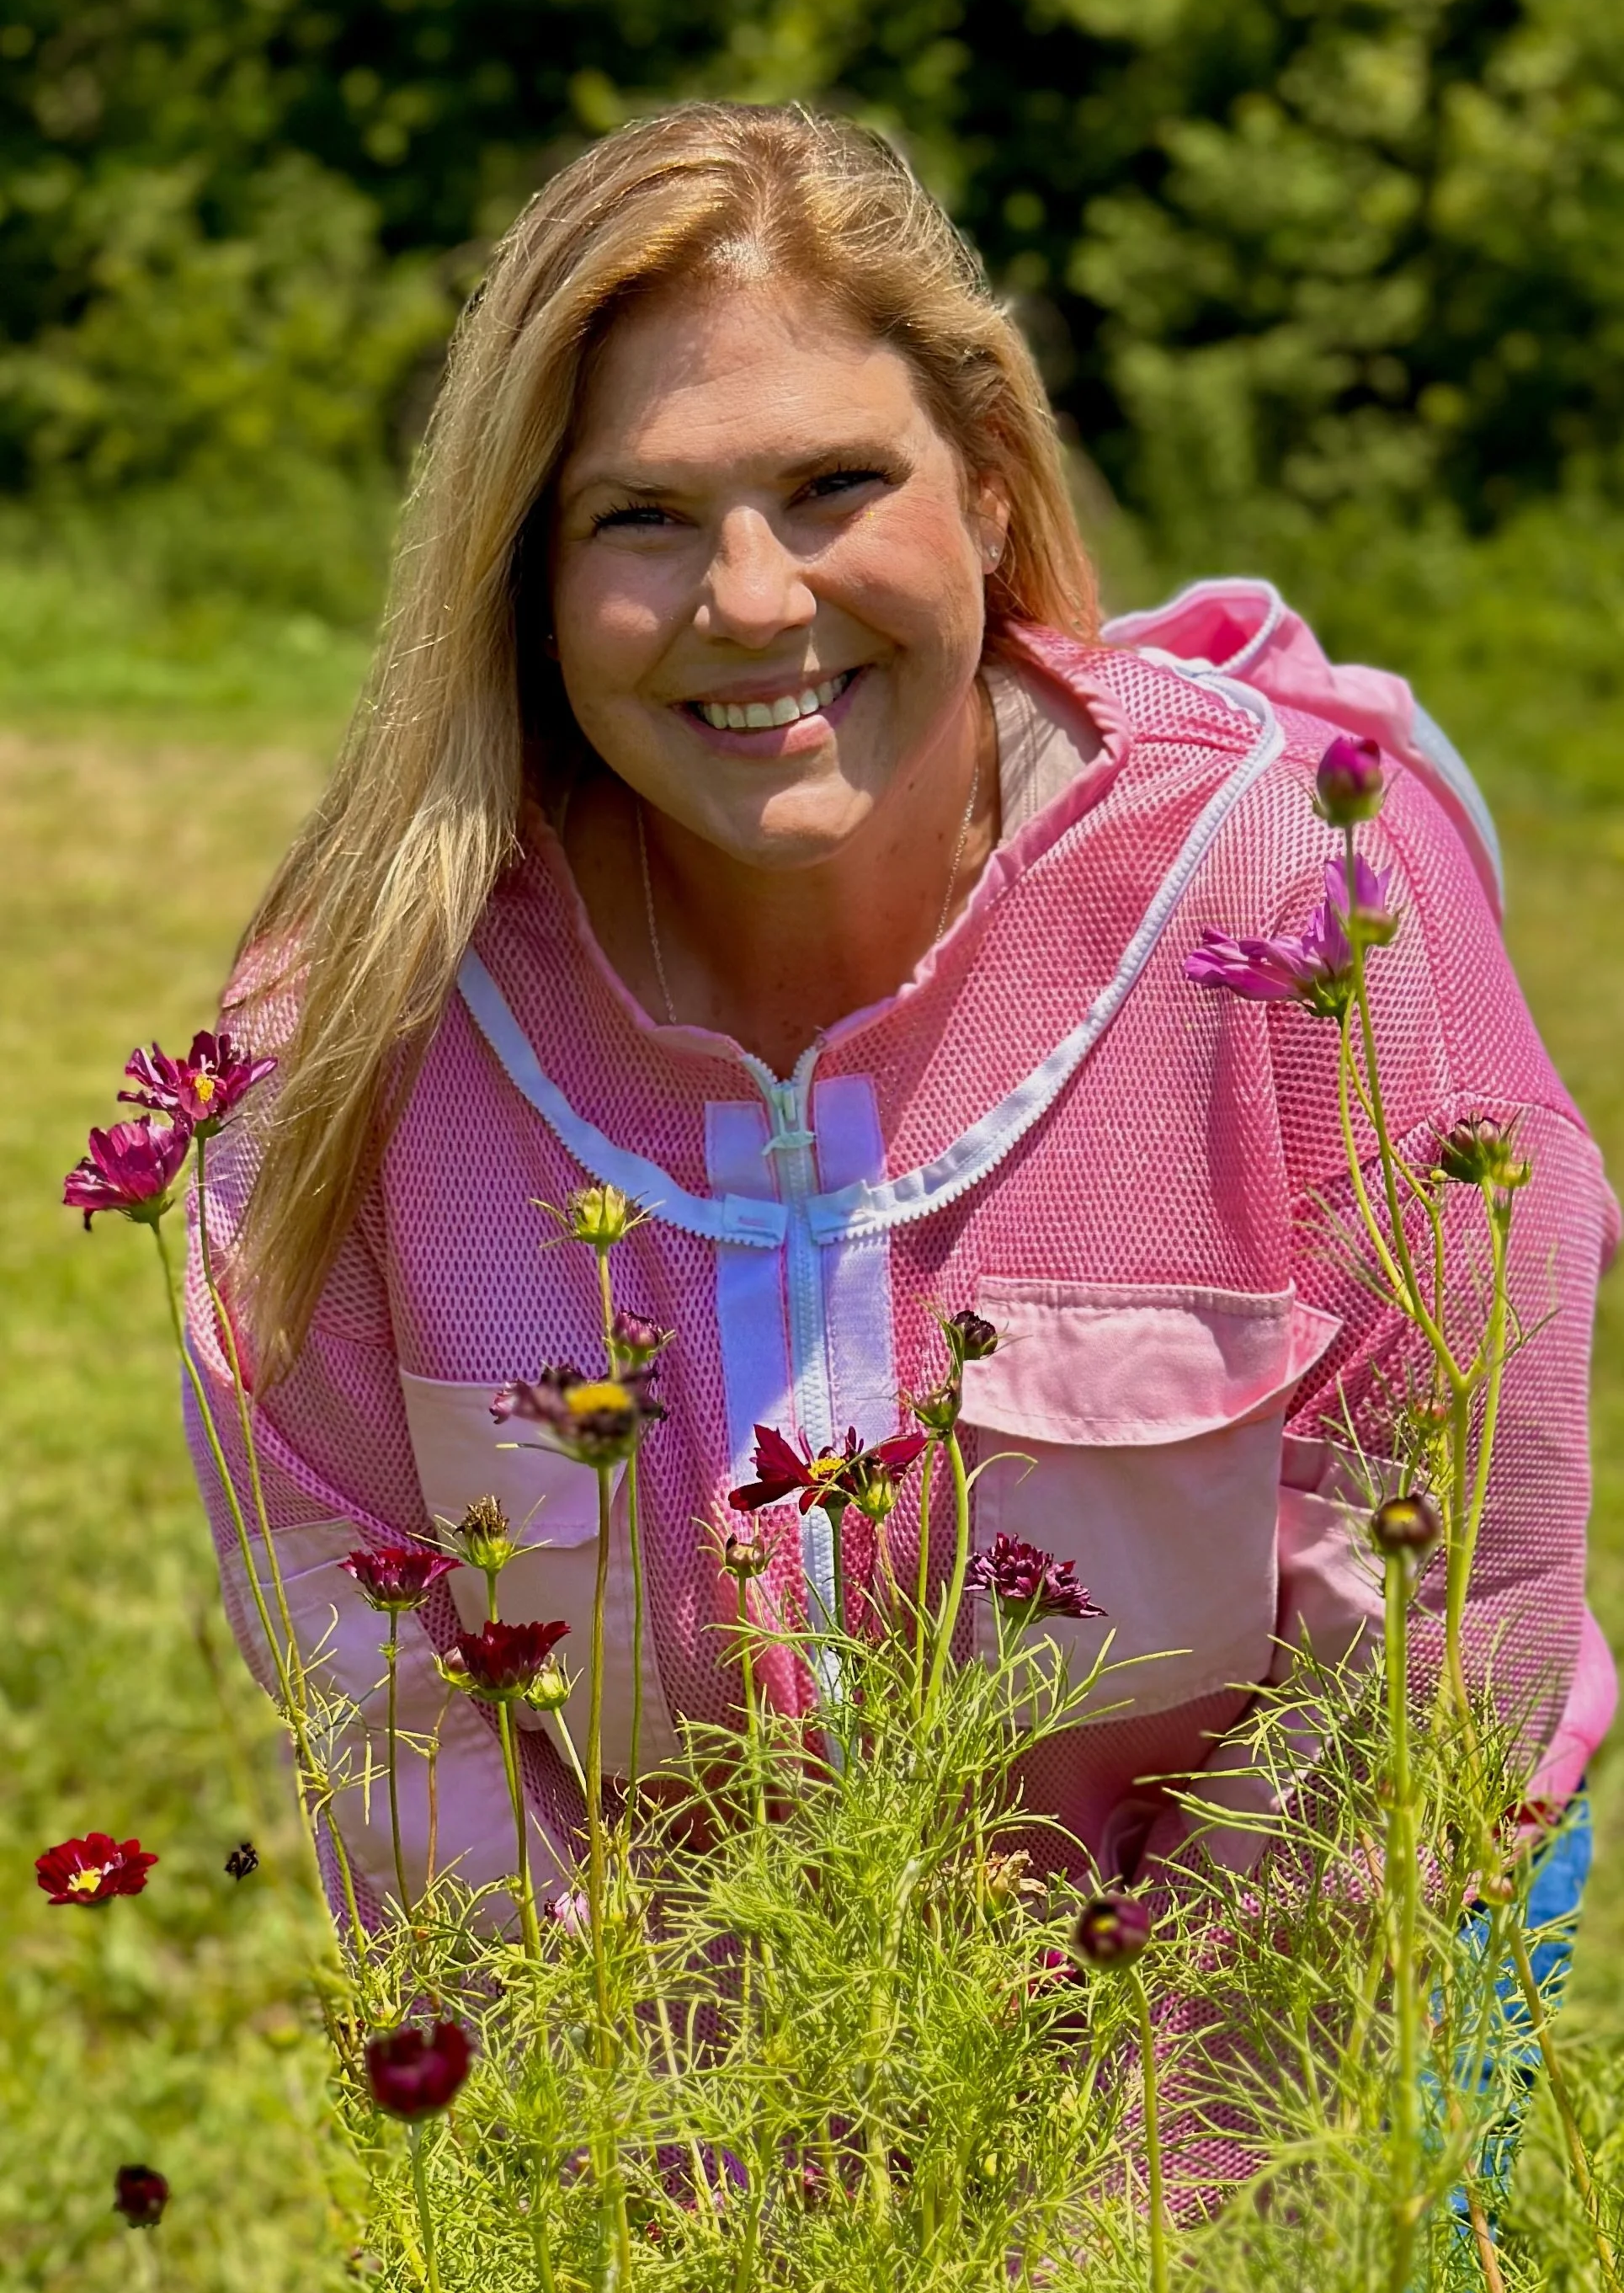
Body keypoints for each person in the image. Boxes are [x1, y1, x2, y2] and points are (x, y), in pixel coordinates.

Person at [184, 102, 1616, 1938]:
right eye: (641, 515)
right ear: (526, 584)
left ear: (992, 486)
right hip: (695, 2065)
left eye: (835, 486)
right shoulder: (353, 1046)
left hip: (1320, 1973)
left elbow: (1430, 1621)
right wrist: (692, 2170)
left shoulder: (1302, 887)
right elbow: (389, 1705)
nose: (753, 599)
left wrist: (1135, 2197)